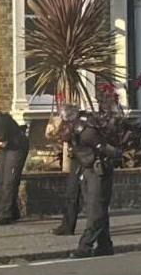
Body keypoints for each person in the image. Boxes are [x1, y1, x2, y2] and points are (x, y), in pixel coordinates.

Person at [48, 104, 120, 259]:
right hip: (88, 169)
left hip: (98, 171)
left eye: (60, 118)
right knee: (97, 209)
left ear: (67, 118)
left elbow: (105, 148)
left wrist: (113, 156)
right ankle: (105, 245)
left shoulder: (85, 131)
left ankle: (85, 247)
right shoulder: (73, 130)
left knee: (95, 210)